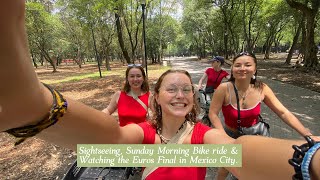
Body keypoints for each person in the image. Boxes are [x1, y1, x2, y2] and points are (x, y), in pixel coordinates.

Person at [1, 1, 319, 179]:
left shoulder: (203, 137)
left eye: (186, 89)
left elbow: (237, 153)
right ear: (156, 96)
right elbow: (103, 146)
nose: (180, 94)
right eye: (171, 89)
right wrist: (35, 109)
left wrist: (311, 161)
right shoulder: (143, 135)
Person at [208, 51, 320, 180]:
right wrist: (223, 137)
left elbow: (283, 112)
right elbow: (213, 113)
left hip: (258, 134)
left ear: (255, 69)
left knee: (257, 170)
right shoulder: (224, 88)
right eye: (237, 65)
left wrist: (308, 135)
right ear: (232, 68)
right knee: (225, 167)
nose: (242, 68)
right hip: (231, 134)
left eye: (247, 65)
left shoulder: (262, 88)